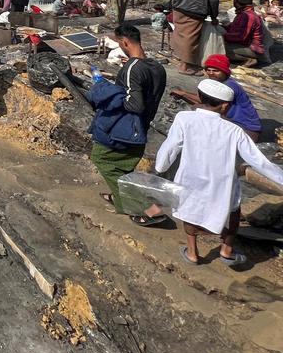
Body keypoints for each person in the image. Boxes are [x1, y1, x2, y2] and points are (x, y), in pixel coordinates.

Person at [156, 78, 283, 266]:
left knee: (189, 210)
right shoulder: (234, 131)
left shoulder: (184, 117)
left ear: (200, 97)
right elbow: (258, 160)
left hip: (191, 177)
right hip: (222, 182)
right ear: (224, 106)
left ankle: (192, 252)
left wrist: (160, 167)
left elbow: (171, 146)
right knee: (232, 211)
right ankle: (227, 249)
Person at [90, 24, 168, 224]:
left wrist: (106, 90)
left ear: (125, 42)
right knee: (125, 166)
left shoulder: (132, 69)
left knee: (102, 159)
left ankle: (146, 209)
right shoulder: (157, 67)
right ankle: (119, 197)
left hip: (124, 128)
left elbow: (134, 104)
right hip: (141, 128)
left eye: (119, 43)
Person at [171, 54, 262, 140]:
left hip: (246, 131)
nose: (211, 73)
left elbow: (204, 102)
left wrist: (183, 94)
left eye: (215, 71)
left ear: (224, 72)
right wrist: (183, 95)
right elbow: (207, 102)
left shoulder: (229, 86)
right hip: (234, 123)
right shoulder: (219, 83)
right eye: (208, 70)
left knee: (199, 109)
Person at [223, 0, 269, 67]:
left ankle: (249, 59)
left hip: (253, 49)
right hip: (245, 45)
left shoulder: (248, 16)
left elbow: (242, 36)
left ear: (236, 2)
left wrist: (224, 36)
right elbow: (232, 27)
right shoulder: (243, 13)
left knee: (223, 48)